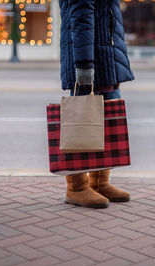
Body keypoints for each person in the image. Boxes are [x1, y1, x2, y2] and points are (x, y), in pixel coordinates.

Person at [59, 0, 135, 208]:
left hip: (105, 56)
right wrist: (84, 68)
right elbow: (81, 17)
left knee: (109, 120)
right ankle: (76, 188)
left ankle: (99, 182)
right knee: (80, 121)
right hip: (89, 61)